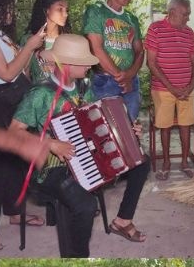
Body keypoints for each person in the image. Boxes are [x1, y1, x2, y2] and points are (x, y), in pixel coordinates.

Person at [10, 34, 151, 255]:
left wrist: (128, 132)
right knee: (85, 206)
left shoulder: (85, 88)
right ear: (65, 64)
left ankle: (123, 219)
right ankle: (77, 257)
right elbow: (13, 133)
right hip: (50, 168)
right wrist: (51, 143)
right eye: (84, 62)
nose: (89, 67)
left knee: (142, 162)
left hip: (86, 155)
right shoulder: (40, 94)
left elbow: (98, 120)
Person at [0, 0, 47, 252]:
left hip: (13, 103)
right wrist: (31, 46)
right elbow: (7, 73)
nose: (13, 9)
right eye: (8, 4)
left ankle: (14, 211)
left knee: (16, 164)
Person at [144, 0, 194, 180]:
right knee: (164, 126)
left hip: (186, 89)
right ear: (172, 12)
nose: (188, 18)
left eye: (189, 14)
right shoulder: (155, 29)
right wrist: (171, 88)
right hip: (162, 89)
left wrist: (191, 85)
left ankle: (184, 162)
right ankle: (166, 163)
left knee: (186, 125)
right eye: (185, 14)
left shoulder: (189, 33)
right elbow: (151, 63)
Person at [84, 0, 145, 122]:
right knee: (106, 130)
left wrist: (130, 76)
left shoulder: (132, 19)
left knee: (130, 130)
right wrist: (121, 77)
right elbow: (96, 47)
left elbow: (140, 51)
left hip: (131, 82)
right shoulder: (95, 11)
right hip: (105, 82)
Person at [25, 0, 71, 86]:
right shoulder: (30, 39)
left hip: (65, 94)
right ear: (46, 10)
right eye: (60, 9)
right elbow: (24, 72)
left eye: (66, 10)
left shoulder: (70, 41)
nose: (65, 14)